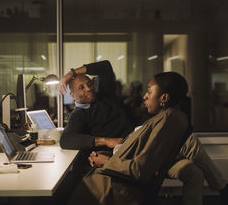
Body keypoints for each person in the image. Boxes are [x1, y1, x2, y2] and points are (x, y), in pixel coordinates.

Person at [59, 61, 228, 205]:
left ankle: (223, 188)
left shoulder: (105, 96)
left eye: (89, 83)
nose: (89, 87)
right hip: (130, 156)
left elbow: (105, 67)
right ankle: (223, 188)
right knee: (191, 152)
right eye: (81, 87)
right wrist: (106, 142)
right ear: (72, 95)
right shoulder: (79, 115)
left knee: (193, 169)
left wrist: (72, 74)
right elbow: (66, 140)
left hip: (146, 147)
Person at [68, 71, 190, 205]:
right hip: (115, 176)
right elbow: (138, 151)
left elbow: (140, 169)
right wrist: (112, 153)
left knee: (61, 190)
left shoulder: (167, 121)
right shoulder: (163, 117)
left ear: (164, 98)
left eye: (149, 91)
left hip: (117, 187)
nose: (144, 96)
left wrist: (107, 161)